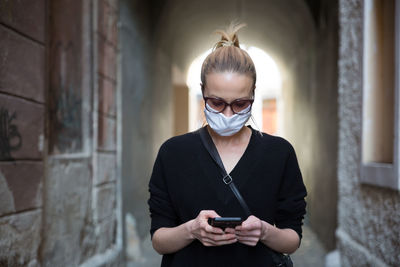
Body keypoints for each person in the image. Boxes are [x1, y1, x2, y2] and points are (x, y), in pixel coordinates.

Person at [148, 22, 307, 267]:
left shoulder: (279, 153)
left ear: (253, 94)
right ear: (203, 92)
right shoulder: (173, 153)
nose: (229, 114)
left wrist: (265, 231)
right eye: (217, 102)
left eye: (241, 104)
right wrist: (192, 230)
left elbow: (292, 239)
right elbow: (159, 240)